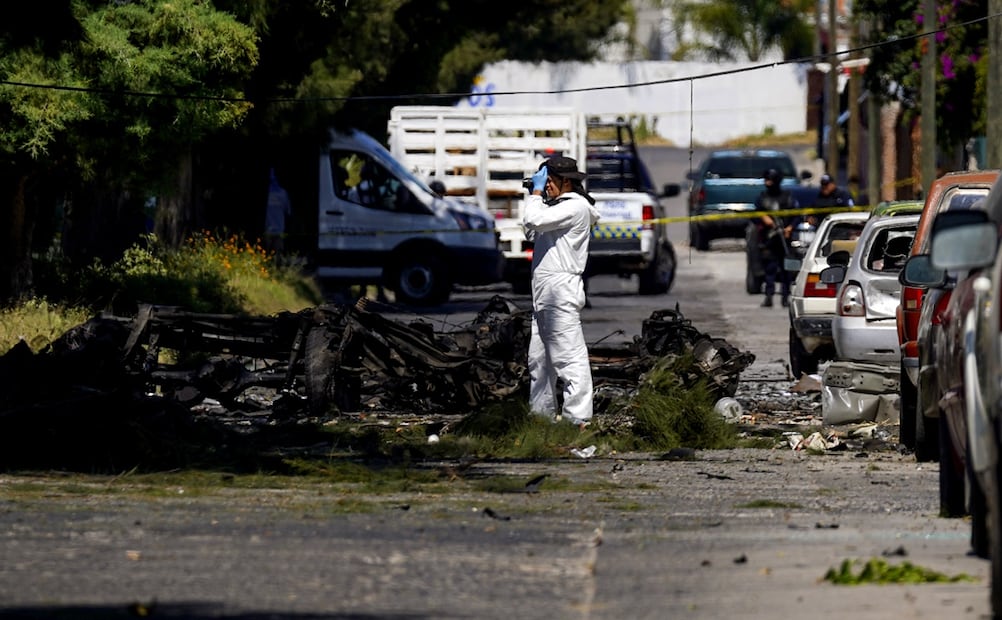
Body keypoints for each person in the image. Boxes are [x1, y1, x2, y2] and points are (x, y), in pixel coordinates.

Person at [522, 156, 601, 428]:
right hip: (544, 292)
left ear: (566, 181)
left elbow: (533, 219)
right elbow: (531, 231)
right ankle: (541, 417)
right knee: (539, 361)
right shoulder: (557, 208)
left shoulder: (576, 207)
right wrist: (538, 197)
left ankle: (578, 419)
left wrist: (534, 195)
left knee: (569, 358)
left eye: (549, 182)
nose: (546, 187)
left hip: (559, 292)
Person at [754, 168, 798, 308]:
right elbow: (754, 215)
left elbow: (796, 215)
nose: (767, 183)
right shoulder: (762, 197)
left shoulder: (787, 197)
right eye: (766, 180)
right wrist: (764, 218)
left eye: (770, 180)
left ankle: (785, 297)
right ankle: (769, 296)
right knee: (770, 269)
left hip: (784, 239)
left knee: (786, 270)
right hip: (769, 239)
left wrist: (789, 228)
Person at [264, 168, 292, 253]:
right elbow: (288, 212)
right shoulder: (283, 193)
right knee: (278, 253)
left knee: (266, 253)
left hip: (267, 229)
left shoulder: (266, 193)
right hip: (279, 228)